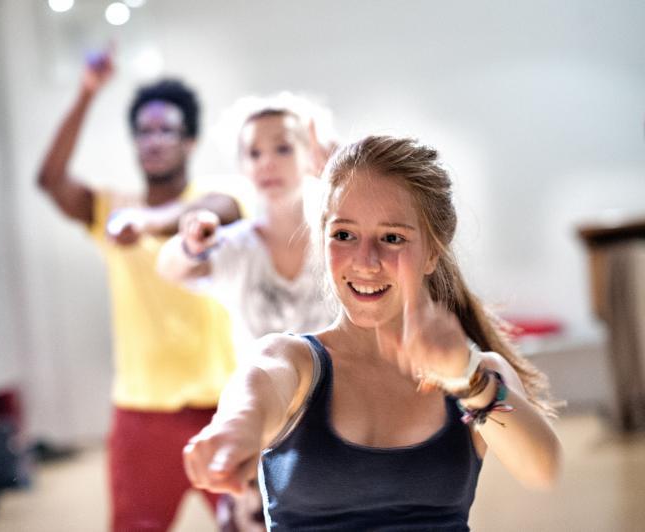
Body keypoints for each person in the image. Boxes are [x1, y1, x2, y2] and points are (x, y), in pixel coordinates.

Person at [183, 135, 562, 530]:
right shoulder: (291, 361)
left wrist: (468, 379)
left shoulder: (480, 373)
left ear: (433, 251)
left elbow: (542, 467)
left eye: (392, 238)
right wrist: (232, 432)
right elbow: (252, 396)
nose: (366, 261)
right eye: (344, 235)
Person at [37, 50, 240, 531]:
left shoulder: (219, 199)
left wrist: (148, 221)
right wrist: (86, 92)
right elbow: (50, 180)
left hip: (223, 405)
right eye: (143, 132)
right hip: (140, 412)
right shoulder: (110, 207)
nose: (152, 141)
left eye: (165, 130)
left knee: (251, 523)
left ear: (189, 141)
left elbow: (215, 210)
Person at [157, 96, 338, 530]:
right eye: (253, 152)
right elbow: (170, 266)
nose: (267, 163)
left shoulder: (340, 238)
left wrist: (343, 175)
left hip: (338, 425)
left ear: (311, 155)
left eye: (282, 147)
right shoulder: (237, 246)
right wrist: (190, 244)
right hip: (264, 428)